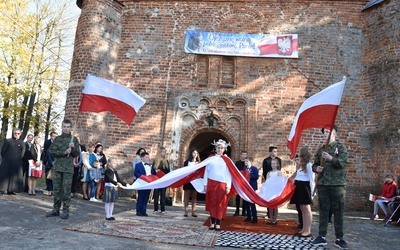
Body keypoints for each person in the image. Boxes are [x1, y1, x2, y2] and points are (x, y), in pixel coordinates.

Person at [311, 125, 349, 249]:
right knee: (323, 211)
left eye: (328, 131)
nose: (326, 133)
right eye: (324, 132)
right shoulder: (320, 150)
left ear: (334, 133)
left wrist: (331, 158)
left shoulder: (341, 147)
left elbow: (343, 163)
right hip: (323, 184)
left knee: (338, 211)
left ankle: (339, 238)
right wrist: (317, 168)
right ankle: (321, 236)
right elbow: (314, 165)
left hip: (337, 185)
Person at [46, 119, 80, 219]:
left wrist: (73, 148)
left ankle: (66, 210)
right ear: (62, 127)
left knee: (66, 189)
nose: (66, 128)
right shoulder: (57, 139)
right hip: (57, 167)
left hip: (68, 168)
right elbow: (51, 151)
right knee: (56, 189)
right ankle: (56, 209)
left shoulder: (74, 139)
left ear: (70, 128)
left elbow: (77, 154)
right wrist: (63, 152)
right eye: (64, 126)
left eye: (68, 127)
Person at [204, 139, 232, 231]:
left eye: (221, 148)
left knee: (220, 203)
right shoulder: (210, 159)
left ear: (224, 149)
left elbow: (229, 173)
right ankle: (212, 222)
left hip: (222, 184)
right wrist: (205, 184)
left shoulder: (227, 160)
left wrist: (228, 185)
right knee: (212, 202)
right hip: (211, 182)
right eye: (218, 147)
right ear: (215, 148)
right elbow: (206, 172)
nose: (220, 149)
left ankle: (218, 223)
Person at [290, 147, 315, 238]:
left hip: (305, 187)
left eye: (301, 156)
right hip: (299, 187)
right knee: (302, 208)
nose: (300, 157)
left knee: (306, 208)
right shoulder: (301, 166)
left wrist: (312, 193)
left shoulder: (309, 165)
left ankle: (307, 230)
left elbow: (312, 179)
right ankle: (304, 228)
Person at [0, 128, 26, 195]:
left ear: (20, 134)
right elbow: (3, 151)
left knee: (14, 176)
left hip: (16, 162)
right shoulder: (8, 141)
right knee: (4, 175)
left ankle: (11, 190)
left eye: (18, 133)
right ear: (13, 133)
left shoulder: (22, 143)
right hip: (7, 161)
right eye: (15, 133)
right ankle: (2, 190)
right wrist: (6, 158)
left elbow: (22, 154)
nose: (16, 135)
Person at [260, 158, 282, 225]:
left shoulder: (278, 172)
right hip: (270, 190)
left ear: (277, 164)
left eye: (274, 164)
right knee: (270, 205)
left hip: (275, 190)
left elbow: (280, 181)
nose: (273, 165)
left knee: (275, 205)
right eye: (272, 164)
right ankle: (271, 219)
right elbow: (267, 182)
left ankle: (275, 219)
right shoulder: (269, 173)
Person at [262, 146, 282, 218]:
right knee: (269, 198)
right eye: (274, 151)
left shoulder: (278, 160)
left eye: (276, 151)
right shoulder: (266, 160)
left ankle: (275, 216)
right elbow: (264, 171)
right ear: (270, 152)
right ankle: (269, 213)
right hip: (269, 181)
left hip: (276, 183)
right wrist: (268, 180)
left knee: (275, 200)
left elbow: (280, 169)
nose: (275, 153)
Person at [134, 152, 156, 216]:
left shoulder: (149, 165)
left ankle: (144, 211)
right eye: (146, 157)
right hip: (142, 183)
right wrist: (143, 177)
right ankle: (138, 211)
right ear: (142, 158)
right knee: (141, 197)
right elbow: (136, 173)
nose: (148, 159)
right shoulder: (138, 165)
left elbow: (153, 173)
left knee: (146, 197)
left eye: (148, 157)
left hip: (148, 183)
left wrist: (153, 169)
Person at [183, 149, 201, 217]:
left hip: (195, 181)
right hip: (188, 181)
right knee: (187, 196)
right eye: (194, 153)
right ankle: (186, 212)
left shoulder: (199, 163)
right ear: (191, 154)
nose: (195, 154)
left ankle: (193, 212)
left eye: (196, 153)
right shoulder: (187, 162)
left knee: (194, 197)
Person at [243, 156, 259, 223]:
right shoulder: (244, 169)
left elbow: (256, 176)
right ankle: (248, 216)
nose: (246, 162)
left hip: (252, 187)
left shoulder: (254, 168)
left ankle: (254, 217)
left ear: (250, 162)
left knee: (252, 202)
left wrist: (249, 175)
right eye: (245, 161)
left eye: (247, 161)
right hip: (246, 187)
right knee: (246, 202)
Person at [43, 132, 57, 196]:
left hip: (56, 164)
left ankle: (53, 190)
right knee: (48, 177)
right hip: (49, 163)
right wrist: (51, 163)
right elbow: (47, 154)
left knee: (54, 178)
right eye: (53, 136)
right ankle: (49, 190)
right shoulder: (47, 144)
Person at [233, 150, 247, 216]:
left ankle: (244, 211)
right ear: (240, 155)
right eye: (243, 155)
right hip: (238, 182)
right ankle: (237, 210)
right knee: (238, 197)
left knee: (244, 197)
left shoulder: (247, 163)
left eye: (245, 155)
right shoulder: (237, 163)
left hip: (245, 183)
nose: (244, 156)